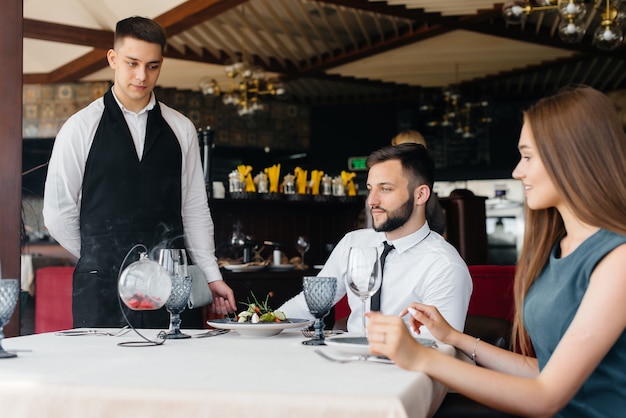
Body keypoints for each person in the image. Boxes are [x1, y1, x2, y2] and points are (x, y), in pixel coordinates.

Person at [367, 85, 626, 417]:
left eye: (528, 156)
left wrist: (421, 357)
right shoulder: (559, 248)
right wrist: (454, 338)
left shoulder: (616, 260)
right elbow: (544, 371)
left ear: (571, 156)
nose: (517, 171)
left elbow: (545, 397)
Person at [43, 16, 236, 328]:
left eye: (152, 66)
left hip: (172, 282)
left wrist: (212, 276)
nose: (142, 75)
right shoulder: (80, 127)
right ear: (113, 59)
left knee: (174, 373)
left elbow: (195, 210)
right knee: (101, 375)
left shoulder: (181, 128)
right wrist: (100, 254)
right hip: (102, 284)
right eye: (132, 63)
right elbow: (57, 212)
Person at [279, 143, 472, 336]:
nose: (371, 201)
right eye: (370, 189)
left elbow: (439, 351)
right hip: (347, 361)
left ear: (420, 195)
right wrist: (263, 324)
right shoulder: (353, 243)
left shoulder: (444, 265)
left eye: (385, 189)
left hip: (403, 365)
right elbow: (309, 305)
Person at [390, 129, 446, 235]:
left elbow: (374, 231)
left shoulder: (390, 186)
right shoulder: (426, 187)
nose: (392, 154)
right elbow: (439, 223)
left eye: (395, 149)